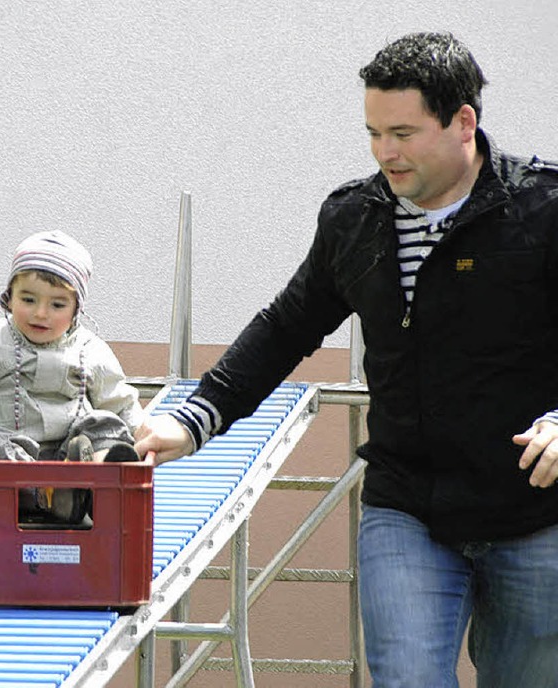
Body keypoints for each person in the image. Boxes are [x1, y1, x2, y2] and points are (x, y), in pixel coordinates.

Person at [134, 32, 558, 687]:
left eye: (404, 132)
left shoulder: (543, 210)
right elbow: (284, 329)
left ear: (464, 121)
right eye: (373, 132)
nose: (384, 151)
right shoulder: (354, 220)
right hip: (409, 511)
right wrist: (196, 417)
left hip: (535, 516)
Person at [0, 230, 144, 522]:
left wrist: (143, 433)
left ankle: (103, 471)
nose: (41, 313)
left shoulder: (91, 351)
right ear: (9, 299)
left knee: (105, 423)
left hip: (72, 452)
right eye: (28, 299)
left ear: (76, 309)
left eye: (57, 305)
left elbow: (119, 400)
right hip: (16, 463)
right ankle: (48, 494)